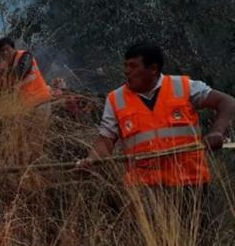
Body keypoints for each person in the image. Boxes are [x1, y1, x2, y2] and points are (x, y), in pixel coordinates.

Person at [82, 42, 235, 187]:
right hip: (144, 189)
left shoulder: (184, 87)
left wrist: (217, 131)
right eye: (126, 65)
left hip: (192, 184)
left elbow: (227, 102)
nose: (126, 71)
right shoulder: (115, 99)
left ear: (153, 69)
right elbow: (105, 141)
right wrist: (91, 161)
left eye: (133, 66)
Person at [0, 37, 52, 109]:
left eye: (7, 49)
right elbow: (2, 90)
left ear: (13, 48)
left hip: (41, 102)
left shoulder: (25, 56)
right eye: (2, 51)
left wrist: (4, 72)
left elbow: (20, 72)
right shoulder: (6, 66)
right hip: (26, 106)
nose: (5, 53)